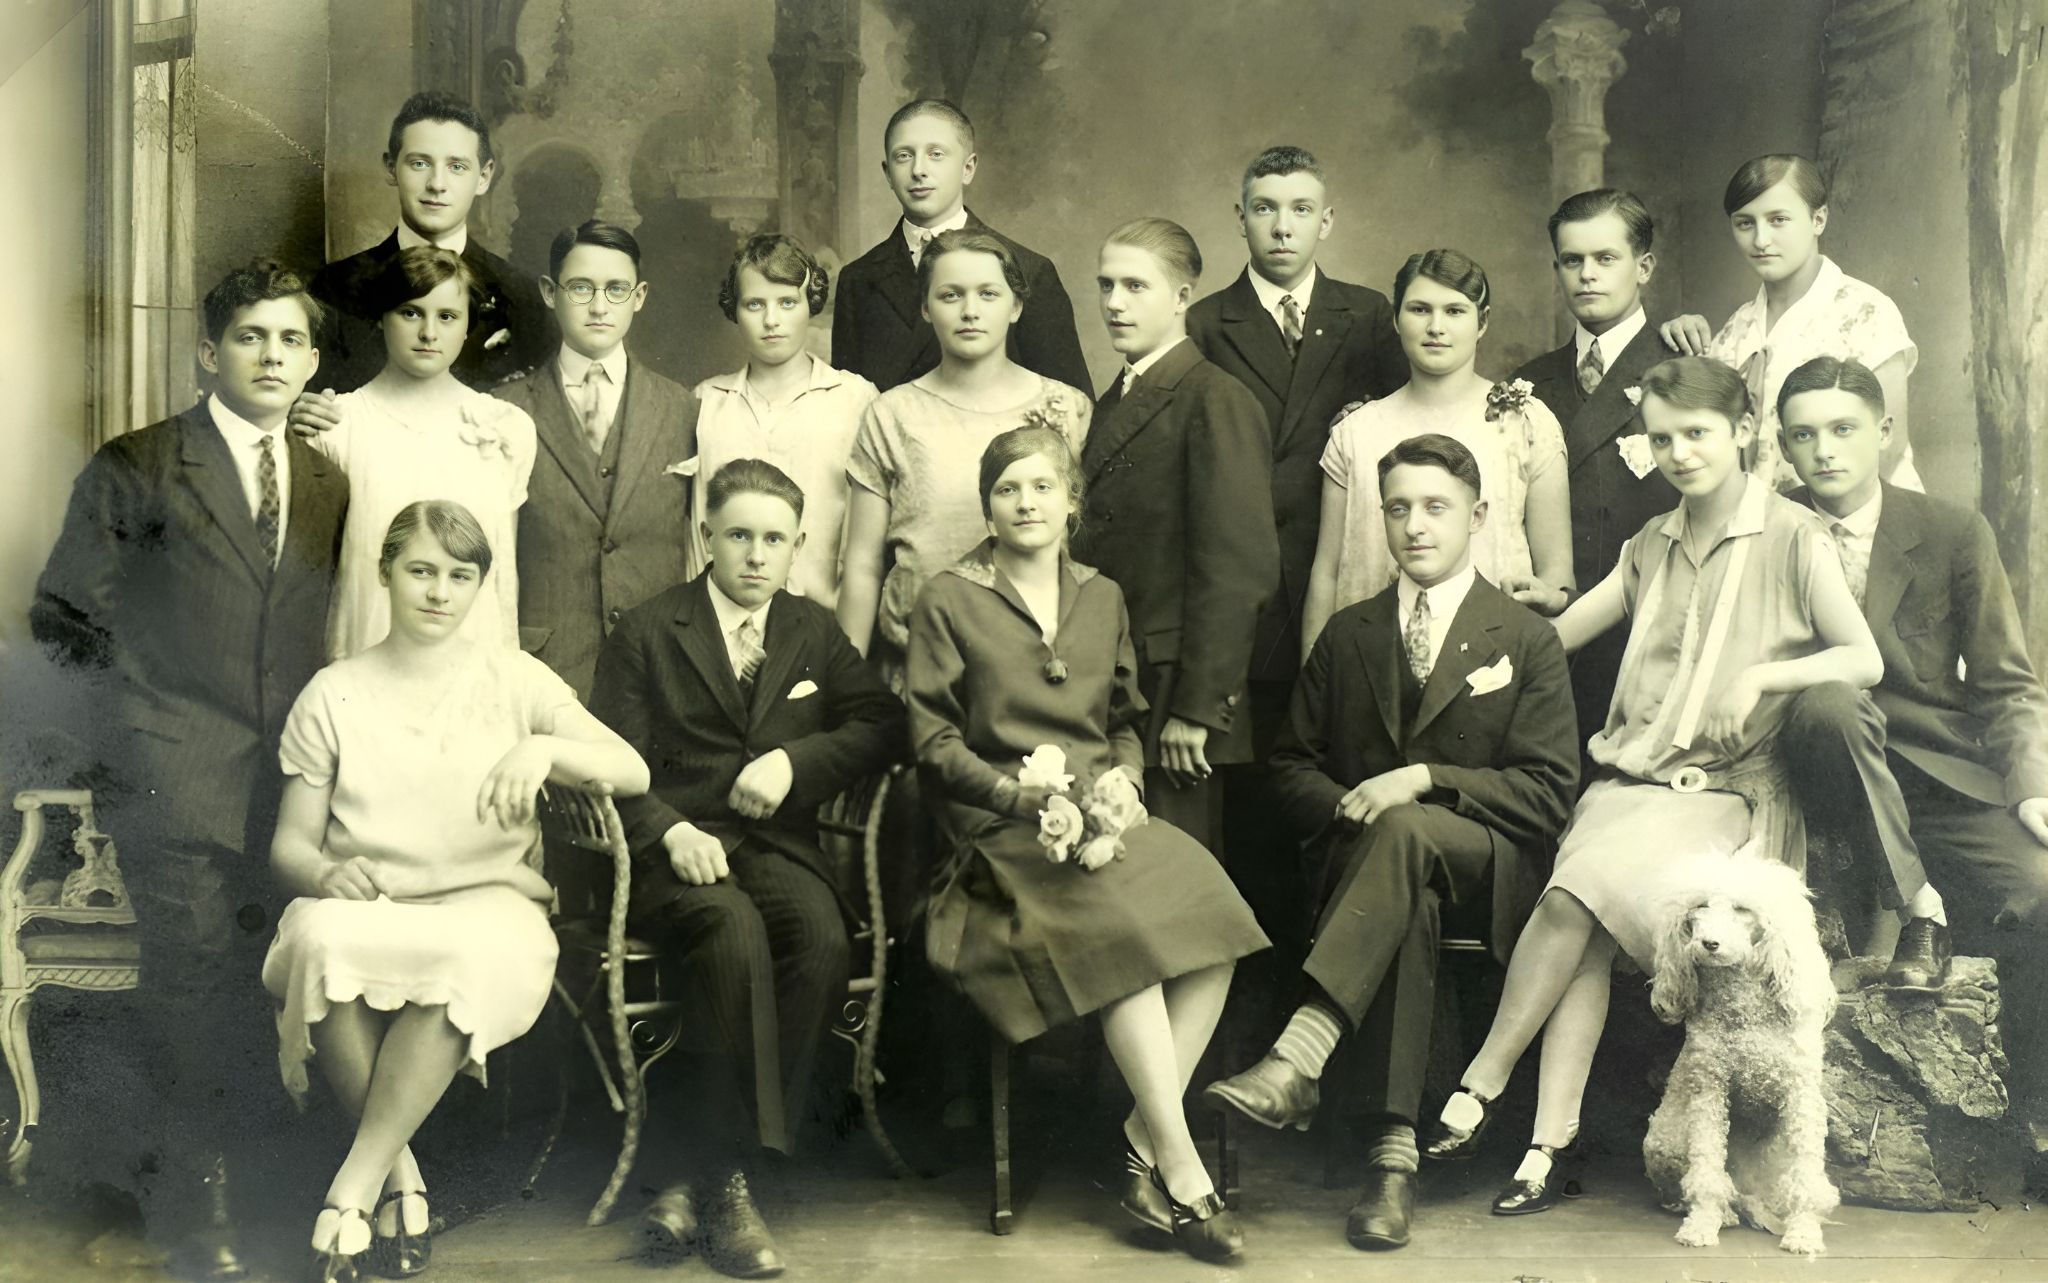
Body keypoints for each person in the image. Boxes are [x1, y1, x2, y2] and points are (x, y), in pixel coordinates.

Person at [1418, 357, 1881, 1216]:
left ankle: (1482, 1081)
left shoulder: (1792, 537)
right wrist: (1468, 656)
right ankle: (1544, 1148)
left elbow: (1864, 656)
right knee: (1583, 904)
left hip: (1731, 794)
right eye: (1661, 437)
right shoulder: (1651, 543)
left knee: (1576, 893)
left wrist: (1767, 681)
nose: (1678, 453)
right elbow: (1557, 636)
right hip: (1636, 788)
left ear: (1744, 431)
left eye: (1697, 433)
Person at [31, 261, 348, 1280]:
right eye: (251, 337)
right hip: (174, 767)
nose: (272, 356)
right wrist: (146, 714)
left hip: (286, 775)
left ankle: (276, 1186)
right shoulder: (139, 464)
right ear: (208, 352)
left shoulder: (328, 481)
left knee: (281, 970)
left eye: (290, 340)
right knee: (196, 971)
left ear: (310, 358)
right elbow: (67, 613)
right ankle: (191, 1200)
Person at [1203, 434, 1577, 1252]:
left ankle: (1298, 1055)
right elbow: (1290, 766)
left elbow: (1549, 795)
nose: (1415, 525)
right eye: (1399, 507)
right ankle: (1391, 1165)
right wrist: (1354, 810)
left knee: (1408, 830)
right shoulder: (1349, 634)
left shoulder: (1524, 638)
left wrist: (1423, 779)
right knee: (1401, 873)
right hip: (1376, 871)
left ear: (1477, 516)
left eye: (1436, 507)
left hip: (1489, 862)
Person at [907, 426, 1271, 1263]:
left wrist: (1127, 785)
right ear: (988, 505)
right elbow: (931, 741)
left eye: (1042, 487)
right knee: (1123, 936)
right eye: (1007, 489)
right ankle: (1181, 1174)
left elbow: (1123, 723)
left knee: (1216, 917)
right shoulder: (949, 597)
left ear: (1071, 500)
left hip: (1098, 819)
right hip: (1000, 833)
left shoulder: (1101, 594)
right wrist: (1012, 792)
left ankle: (1140, 1132)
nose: (1025, 503)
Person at [266, 500, 648, 1282]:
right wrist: (324, 872)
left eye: (459, 575)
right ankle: (397, 1177)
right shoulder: (334, 692)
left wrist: (544, 746)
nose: (439, 591)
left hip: (492, 905)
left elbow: (634, 770)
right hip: (371, 903)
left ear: (479, 585)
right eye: (421, 571)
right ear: (385, 574)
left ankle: (352, 1185)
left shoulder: (515, 679)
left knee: (463, 959)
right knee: (316, 935)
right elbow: (290, 846)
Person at [588, 459, 905, 1279]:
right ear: (706, 537)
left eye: (774, 539)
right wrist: (666, 828)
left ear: (798, 545)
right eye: (738, 535)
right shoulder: (650, 629)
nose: (756, 555)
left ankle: (708, 1170)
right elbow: (606, 760)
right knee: (729, 929)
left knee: (821, 936)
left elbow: (881, 725)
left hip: (775, 844)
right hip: (673, 855)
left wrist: (796, 762)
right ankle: (732, 1186)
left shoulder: (811, 628)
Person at [1186, 145, 1407, 1003]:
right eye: (1265, 207)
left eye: (1300, 207)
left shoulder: (1369, 316)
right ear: (1239, 217)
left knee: (1326, 792)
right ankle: (1237, 1007)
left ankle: (1313, 1006)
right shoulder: (1205, 322)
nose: (1282, 224)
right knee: (1245, 805)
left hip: (1336, 585)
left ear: (1327, 219)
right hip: (1239, 599)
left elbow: (1404, 442)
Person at [1775, 356, 2048, 1005]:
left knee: (2038, 881)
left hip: (1935, 778)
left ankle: (2028, 1098)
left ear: (1885, 429)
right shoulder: (1764, 527)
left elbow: (2006, 683)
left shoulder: (1952, 531)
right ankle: (1922, 914)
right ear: (1783, 444)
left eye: (1844, 429)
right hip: (1816, 769)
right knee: (1834, 701)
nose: (1825, 450)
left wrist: (2033, 783)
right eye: (1804, 434)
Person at [1069, 217, 1278, 849]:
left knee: (1171, 880)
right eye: (1106, 285)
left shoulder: (1213, 397)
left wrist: (1198, 708)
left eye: (1135, 285)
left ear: (1183, 297)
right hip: (1113, 680)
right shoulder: (1118, 397)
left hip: (1172, 695)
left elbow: (1239, 569)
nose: (1113, 303)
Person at [838, 228, 1091, 687]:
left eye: (988, 294)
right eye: (950, 295)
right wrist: (845, 686)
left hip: (1039, 672)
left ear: (1015, 307)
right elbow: (861, 565)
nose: (970, 311)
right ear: (925, 307)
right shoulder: (890, 414)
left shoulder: (1067, 410)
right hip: (918, 670)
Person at [1301, 248, 1573, 656]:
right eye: (1419, 309)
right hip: (1368, 662)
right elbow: (1327, 572)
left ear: (1482, 323)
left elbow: (1556, 574)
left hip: (1488, 661)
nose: (1435, 327)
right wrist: (1313, 685)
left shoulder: (1526, 423)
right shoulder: (1355, 432)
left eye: (1455, 311)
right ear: (1396, 319)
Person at [492, 219, 697, 697]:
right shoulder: (503, 410)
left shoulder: (684, 409)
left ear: (640, 297)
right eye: (581, 288)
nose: (600, 306)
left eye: (616, 289)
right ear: (549, 291)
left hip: (659, 672)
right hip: (543, 671)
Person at [1510, 190, 1679, 761]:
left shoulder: (1684, 372)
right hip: (1557, 632)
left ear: (1644, 267)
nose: (1587, 275)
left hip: (1654, 635)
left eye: (1606, 259)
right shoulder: (1526, 384)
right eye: (1571, 260)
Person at [308, 246, 538, 659]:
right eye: (410, 312)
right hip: (367, 654)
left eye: (447, 316)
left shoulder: (506, 428)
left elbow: (503, 575)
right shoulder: (335, 427)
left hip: (472, 666)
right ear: (381, 317)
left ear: (468, 324)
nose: (429, 333)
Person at [1660, 154, 1921, 491]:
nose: (1761, 240)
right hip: (1766, 530)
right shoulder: (1733, 332)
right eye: (1745, 223)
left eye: (1778, 219)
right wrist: (1672, 345)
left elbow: (1888, 451)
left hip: (1858, 522)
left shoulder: (1866, 313)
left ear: (1818, 219)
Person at [832, 98, 1089, 393]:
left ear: (968, 168)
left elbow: (1069, 407)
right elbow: (847, 408)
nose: (918, 170)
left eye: (936, 154)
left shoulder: (1029, 271)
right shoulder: (858, 279)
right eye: (903, 156)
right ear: (888, 173)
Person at [309, 91, 554, 393]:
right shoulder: (333, 289)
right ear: (391, 168)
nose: (437, 184)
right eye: (420, 163)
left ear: (484, 177)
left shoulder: (522, 297)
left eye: (457, 167)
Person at [686, 232, 879, 608]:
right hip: (719, 625)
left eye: (788, 302)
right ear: (735, 311)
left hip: (822, 622)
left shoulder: (856, 399)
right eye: (755, 304)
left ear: (811, 305)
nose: (771, 320)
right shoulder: (706, 402)